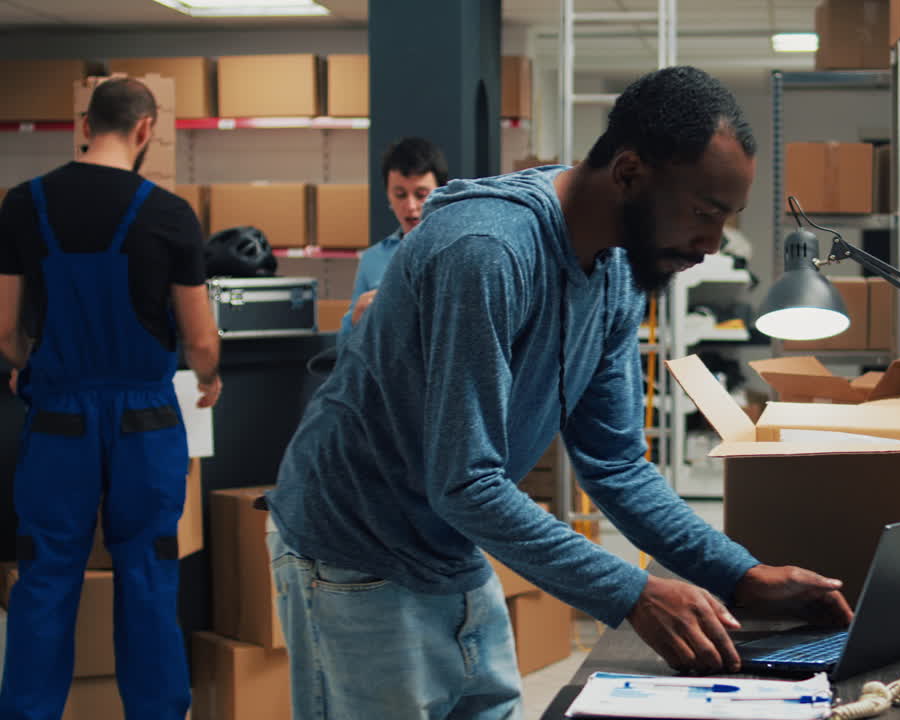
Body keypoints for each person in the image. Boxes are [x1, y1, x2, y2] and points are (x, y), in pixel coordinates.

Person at [264, 66, 852, 719]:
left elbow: (617, 463)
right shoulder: (489, 251)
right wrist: (633, 593)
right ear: (628, 174)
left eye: (726, 219)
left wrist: (738, 575)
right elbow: (464, 482)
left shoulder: (616, 274)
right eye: (703, 214)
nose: (712, 245)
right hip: (353, 553)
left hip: (447, 547)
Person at [0, 78, 222, 720]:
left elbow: (5, 329)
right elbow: (201, 338)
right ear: (146, 129)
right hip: (144, 423)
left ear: (84, 124)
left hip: (58, 420)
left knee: (44, 576)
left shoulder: (22, 205)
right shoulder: (169, 213)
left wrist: (27, 365)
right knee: (149, 578)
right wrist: (208, 376)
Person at [338, 137, 449, 341]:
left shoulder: (458, 252)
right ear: (388, 195)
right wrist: (355, 320)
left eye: (421, 194)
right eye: (400, 194)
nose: (410, 206)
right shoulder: (372, 259)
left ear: (441, 193)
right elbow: (346, 349)